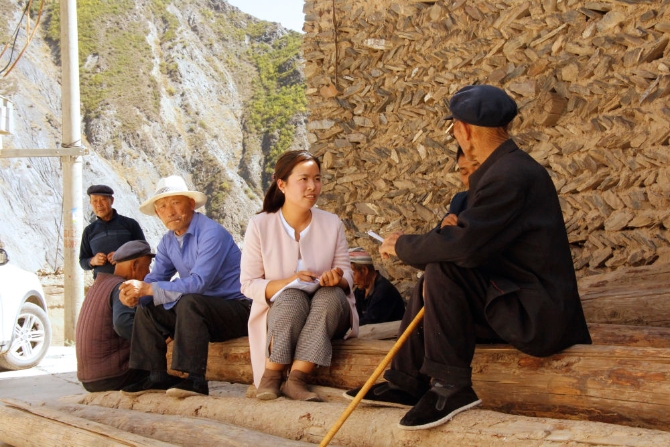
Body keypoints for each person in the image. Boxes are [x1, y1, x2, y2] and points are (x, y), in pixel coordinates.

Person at [345, 85, 591, 430]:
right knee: (434, 276)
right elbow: (469, 246)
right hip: (510, 300)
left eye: (453, 128)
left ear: (463, 129)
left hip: (536, 315)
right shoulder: (502, 170)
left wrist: (402, 245)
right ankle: (407, 381)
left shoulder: (510, 175)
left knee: (444, 269)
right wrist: (445, 240)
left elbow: (462, 248)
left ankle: (450, 387)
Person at [118, 175, 251, 398]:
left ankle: (195, 380)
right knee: (148, 307)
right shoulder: (168, 241)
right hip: (201, 312)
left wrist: (149, 289)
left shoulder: (211, 233)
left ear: (190, 204)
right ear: (157, 213)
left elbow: (199, 283)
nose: (170, 211)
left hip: (237, 309)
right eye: (162, 206)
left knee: (190, 302)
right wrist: (136, 295)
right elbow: (155, 278)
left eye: (175, 203)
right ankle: (156, 375)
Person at [241, 150, 358, 402]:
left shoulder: (332, 223)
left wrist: (338, 278)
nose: (312, 186)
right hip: (283, 312)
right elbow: (248, 284)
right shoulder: (260, 225)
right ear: (282, 184)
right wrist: (289, 281)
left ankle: (296, 380)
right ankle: (271, 376)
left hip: (329, 310)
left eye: (317, 179)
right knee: (291, 297)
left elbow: (347, 272)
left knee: (329, 296)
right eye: (303, 179)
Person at [75, 240, 154, 392]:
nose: (148, 273)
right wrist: (155, 340)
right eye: (147, 266)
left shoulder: (100, 284)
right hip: (114, 376)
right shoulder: (121, 287)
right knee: (166, 375)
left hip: (89, 379)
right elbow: (123, 324)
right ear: (134, 266)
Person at [79, 184, 146, 278]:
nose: (99, 204)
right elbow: (82, 261)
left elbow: (144, 251)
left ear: (112, 200)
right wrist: (92, 261)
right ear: (90, 203)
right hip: (103, 283)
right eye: (94, 201)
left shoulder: (130, 224)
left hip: (128, 281)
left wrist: (123, 256)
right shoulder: (89, 231)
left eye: (103, 199)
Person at [349, 247, 405, 325]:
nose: (351, 279)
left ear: (364, 270)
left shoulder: (384, 291)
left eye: (353, 274)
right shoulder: (360, 290)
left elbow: (368, 322)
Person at [437, 146, 479, 229]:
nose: (471, 178)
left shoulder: (503, 200)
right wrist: (444, 227)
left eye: (477, 169)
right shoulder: (459, 201)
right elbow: (438, 231)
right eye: (465, 172)